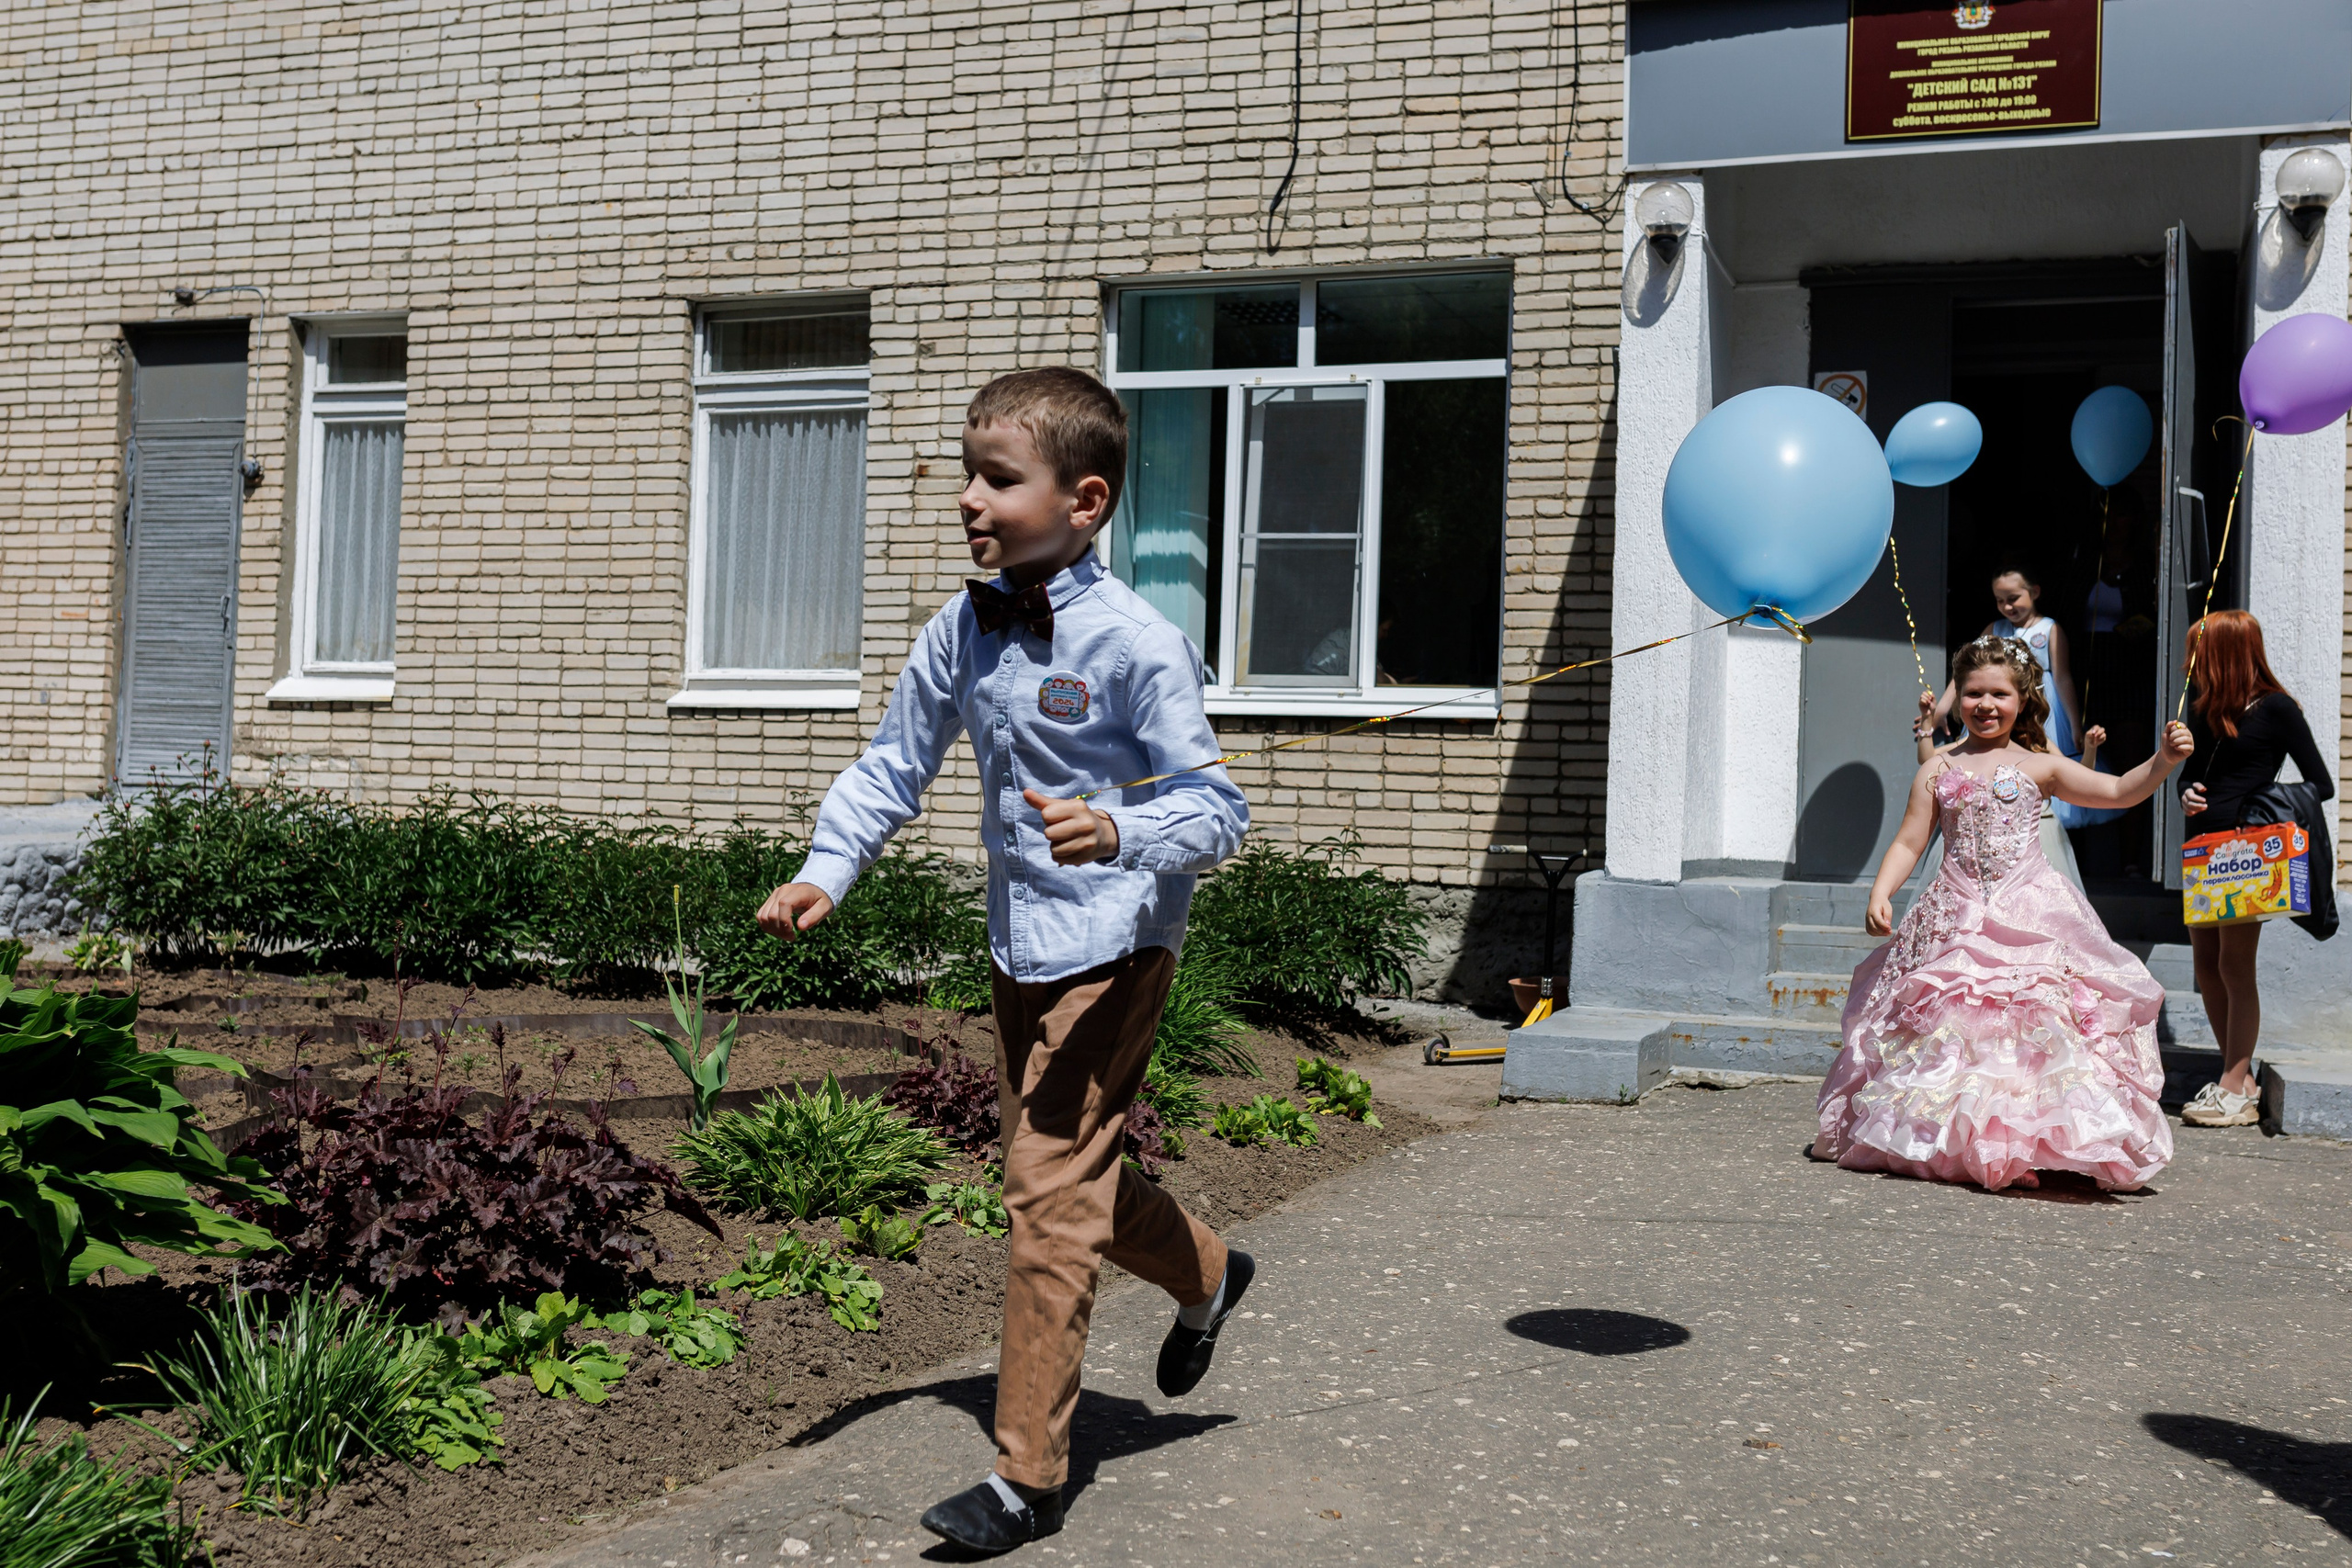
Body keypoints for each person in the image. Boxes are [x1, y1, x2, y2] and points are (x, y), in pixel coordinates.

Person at [755, 368, 1254, 1553]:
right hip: (1019, 941)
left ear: (1084, 501)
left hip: (1118, 945)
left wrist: (1122, 828)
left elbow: (1220, 810)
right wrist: (827, 870)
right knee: (1070, 1182)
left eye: (998, 479)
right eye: (968, 474)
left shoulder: (1136, 641)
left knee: (1041, 1194)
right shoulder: (962, 625)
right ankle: (1211, 1273)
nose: (969, 499)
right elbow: (892, 763)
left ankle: (1026, 1479)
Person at [1819, 636, 2195, 1191]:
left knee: (2033, 1022)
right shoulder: (1938, 768)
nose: (1985, 705)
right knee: (1950, 1025)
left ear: (2022, 698)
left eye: (1998, 693)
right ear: (1960, 699)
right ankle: (1940, 1136)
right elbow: (1908, 840)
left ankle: (2026, 1139)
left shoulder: (2042, 766)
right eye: (1973, 694)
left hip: (2030, 908)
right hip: (1953, 911)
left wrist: (2163, 761)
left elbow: (2116, 790)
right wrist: (1882, 889)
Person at [2173, 610, 2335, 1129]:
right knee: (2205, 965)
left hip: (2245, 855)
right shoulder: (2205, 710)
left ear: (2224, 654)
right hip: (2202, 847)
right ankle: (2237, 1079)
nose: (2188, 664)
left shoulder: (2278, 709)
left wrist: (2255, 808)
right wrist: (2186, 792)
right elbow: (2195, 776)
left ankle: (2232, 1084)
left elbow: (2320, 783)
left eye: (2197, 654)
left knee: (2234, 966)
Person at [1930, 564, 2083, 758]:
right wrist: (1942, 709)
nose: (2006, 606)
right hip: (2002, 702)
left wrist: (2074, 725)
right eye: (2000, 600)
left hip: (2040, 703)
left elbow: (2063, 678)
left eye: (2013, 599)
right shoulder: (1994, 628)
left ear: (2034, 592)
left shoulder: (2050, 628)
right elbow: (1967, 669)